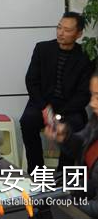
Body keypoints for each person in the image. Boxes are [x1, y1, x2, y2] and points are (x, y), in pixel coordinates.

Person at [21, 11, 93, 174]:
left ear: (79, 34)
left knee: (74, 126)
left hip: (70, 107)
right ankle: (36, 170)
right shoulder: (42, 49)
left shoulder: (85, 57)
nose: (61, 33)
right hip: (42, 103)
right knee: (27, 122)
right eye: (59, 27)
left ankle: (63, 174)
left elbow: (84, 94)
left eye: (67, 30)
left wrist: (59, 115)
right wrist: (45, 108)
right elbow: (31, 81)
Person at [45, 71, 98, 218]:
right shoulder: (95, 121)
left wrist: (68, 204)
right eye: (92, 95)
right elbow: (82, 146)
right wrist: (65, 137)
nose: (92, 103)